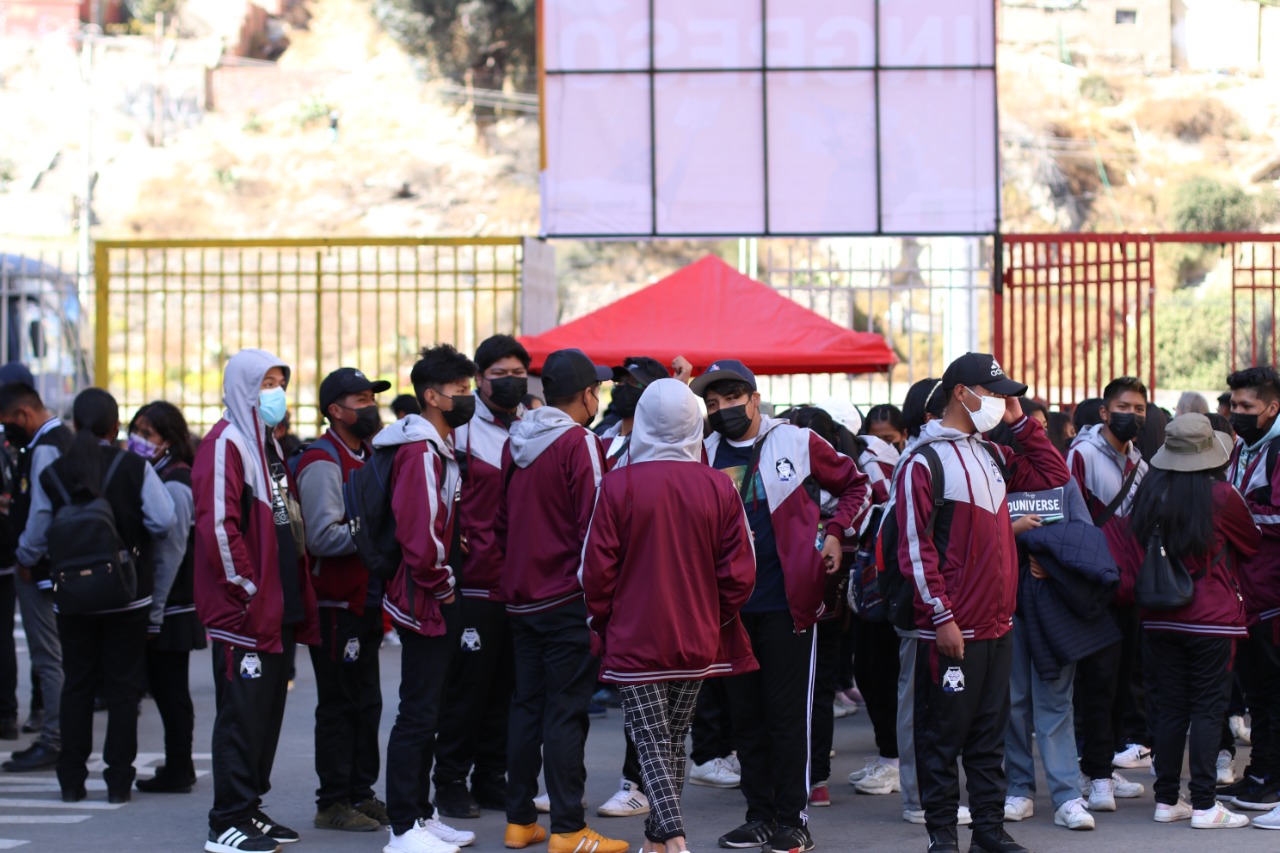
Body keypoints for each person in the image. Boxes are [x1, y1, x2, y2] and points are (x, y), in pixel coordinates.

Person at [890, 353, 1070, 853]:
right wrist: (942, 616)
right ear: (961, 393)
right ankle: (943, 837)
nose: (1000, 402)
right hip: (952, 629)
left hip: (996, 625)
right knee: (943, 739)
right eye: (993, 394)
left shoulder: (990, 453)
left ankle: (988, 831)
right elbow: (914, 547)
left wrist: (1022, 424)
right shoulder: (922, 461)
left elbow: (1053, 474)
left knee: (990, 737)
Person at [693, 359, 870, 853]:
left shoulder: (795, 440)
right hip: (729, 609)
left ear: (754, 397)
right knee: (745, 717)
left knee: (787, 715)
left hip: (789, 605)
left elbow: (858, 484)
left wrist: (836, 533)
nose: (722, 409)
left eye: (731, 398)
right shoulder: (702, 451)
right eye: (712, 403)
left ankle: (794, 818)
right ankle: (759, 816)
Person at [581, 378, 758, 853]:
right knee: (673, 739)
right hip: (698, 634)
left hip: (635, 635)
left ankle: (674, 839)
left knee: (651, 740)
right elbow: (741, 571)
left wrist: (603, 621)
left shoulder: (618, 484)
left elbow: (595, 571)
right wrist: (714, 614)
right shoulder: (719, 485)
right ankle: (658, 840)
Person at [495, 348, 628, 853]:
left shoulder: (517, 441)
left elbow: (504, 522)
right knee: (566, 711)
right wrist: (601, 600)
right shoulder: (581, 443)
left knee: (527, 706)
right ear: (588, 394)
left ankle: (519, 820)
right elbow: (595, 525)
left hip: (522, 595)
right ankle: (570, 828)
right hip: (567, 596)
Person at [19, 388, 175, 802]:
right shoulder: (133, 466)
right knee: (123, 688)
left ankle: (71, 782)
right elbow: (163, 520)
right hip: (128, 596)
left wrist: (24, 557)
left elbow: (35, 534)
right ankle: (118, 783)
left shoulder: (54, 472)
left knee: (78, 685)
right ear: (116, 425)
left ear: (74, 426)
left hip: (72, 597)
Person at [194, 349, 320, 853]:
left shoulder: (266, 443)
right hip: (245, 611)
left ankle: (248, 807)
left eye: (280, 381)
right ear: (243, 386)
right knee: (241, 716)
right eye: (266, 382)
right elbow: (217, 526)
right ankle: (225, 819)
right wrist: (245, 589)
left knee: (266, 714)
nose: (276, 392)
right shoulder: (226, 443)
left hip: (276, 606)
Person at [1129, 414, 1259, 829]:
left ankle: (1167, 800)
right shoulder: (1222, 495)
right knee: (1207, 709)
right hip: (1211, 618)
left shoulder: (1151, 490)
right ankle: (1205, 804)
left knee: (1169, 708)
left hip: (1158, 616)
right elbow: (1252, 543)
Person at [377, 344, 478, 853]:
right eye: (461, 391)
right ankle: (402, 827)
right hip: (425, 599)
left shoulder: (438, 444)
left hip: (434, 593)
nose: (470, 397)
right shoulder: (419, 449)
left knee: (429, 709)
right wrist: (443, 584)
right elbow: (418, 533)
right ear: (432, 396)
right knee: (417, 713)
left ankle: (419, 813)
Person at [434, 336, 528, 820]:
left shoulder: (530, 427)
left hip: (518, 583)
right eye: (499, 373)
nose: (509, 381)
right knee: (467, 689)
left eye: (518, 372)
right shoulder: (461, 432)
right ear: (481, 380)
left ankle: (491, 777)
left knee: (506, 690)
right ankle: (449, 780)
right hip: (473, 582)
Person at [296, 368, 392, 833]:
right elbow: (323, 537)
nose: (370, 406)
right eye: (360, 399)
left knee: (367, 701)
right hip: (336, 604)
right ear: (335, 411)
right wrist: (378, 531)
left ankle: (361, 791)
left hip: (367, 600)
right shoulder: (323, 460)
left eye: (371, 397)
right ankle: (332, 801)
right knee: (339, 704)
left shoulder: (369, 454)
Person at [1002, 479, 1121, 832]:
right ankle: (1019, 788)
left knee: (1055, 701)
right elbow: (975, 539)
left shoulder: (1062, 482)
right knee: (1014, 700)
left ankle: (1066, 795)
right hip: (1006, 603)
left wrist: (1051, 562)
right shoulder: (994, 475)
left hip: (1051, 606)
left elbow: (1085, 539)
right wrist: (1013, 532)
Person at [1066, 378, 1152, 812]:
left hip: (1132, 591)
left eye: (1139, 408)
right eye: (1124, 406)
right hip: (1096, 588)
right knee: (1097, 684)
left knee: (1122, 685)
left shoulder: (1141, 462)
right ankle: (1096, 775)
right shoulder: (1080, 455)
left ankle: (1102, 767)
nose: (1132, 414)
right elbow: (1068, 516)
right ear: (1104, 411)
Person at [130, 401, 208, 795]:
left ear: (169, 440)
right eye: (137, 432)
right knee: (166, 688)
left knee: (170, 690)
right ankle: (178, 765)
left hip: (172, 605)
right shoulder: (159, 473)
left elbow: (170, 552)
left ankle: (179, 766)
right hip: (170, 603)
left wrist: (155, 612)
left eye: (149, 435)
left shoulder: (175, 481)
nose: (140, 441)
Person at [0, 379, 73, 772]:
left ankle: (55, 738)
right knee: (56, 656)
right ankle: (61, 736)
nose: (7, 431)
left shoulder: (45, 447)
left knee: (48, 658)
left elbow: (42, 511)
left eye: (7, 422)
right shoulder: (59, 439)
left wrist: (25, 555)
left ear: (23, 414)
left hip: (40, 569)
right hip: (55, 566)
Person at [1221, 366, 1280, 817]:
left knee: (1272, 691)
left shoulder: (1277, 449)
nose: (1236, 414)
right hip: (1248, 593)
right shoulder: (1245, 446)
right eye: (1234, 405)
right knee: (1258, 691)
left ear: (1272, 408)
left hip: (1272, 595)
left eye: (1247, 407)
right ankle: (1260, 769)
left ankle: (1270, 776)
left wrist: (1236, 516)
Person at [0, 362, 36, 743]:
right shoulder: (26, 442)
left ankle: (9, 713)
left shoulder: (32, 444)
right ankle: (11, 713)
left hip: (15, 555)